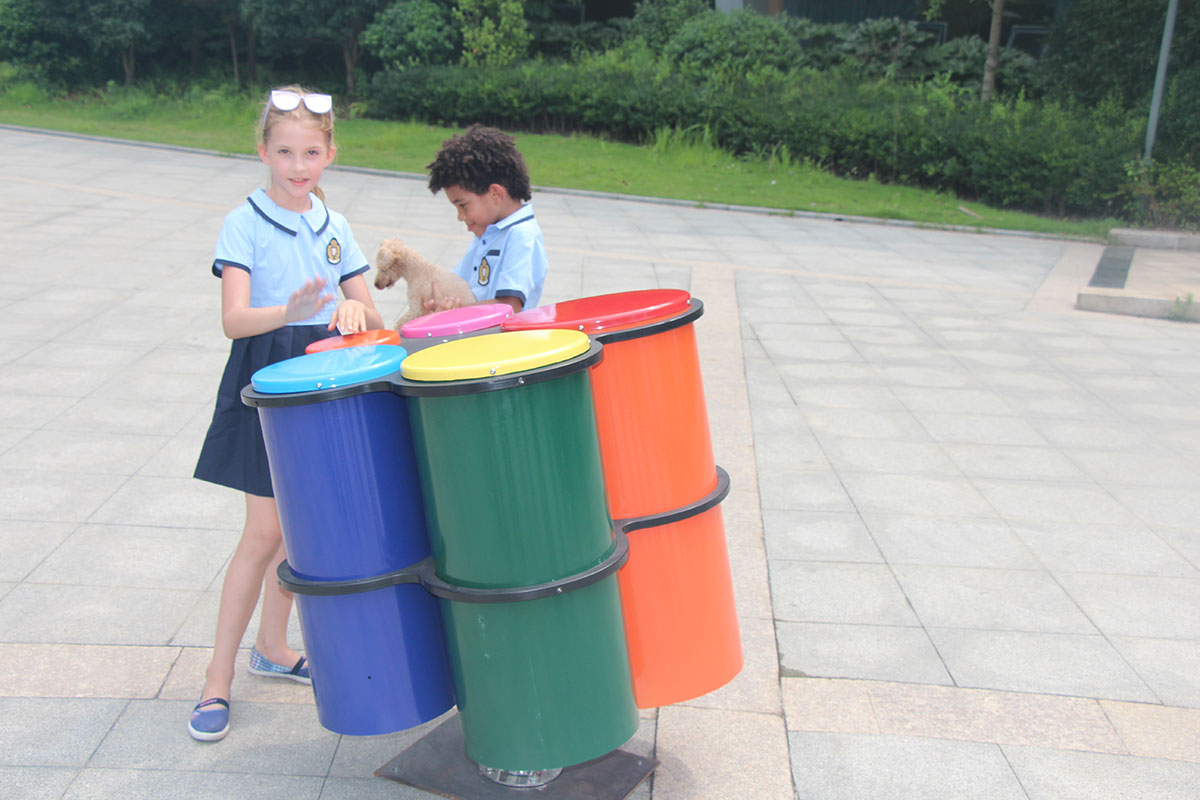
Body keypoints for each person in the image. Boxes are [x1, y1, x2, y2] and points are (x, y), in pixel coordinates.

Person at [188, 86, 383, 742]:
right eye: (284, 152)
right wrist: (291, 313)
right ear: (263, 152)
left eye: (310, 152)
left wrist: (357, 313)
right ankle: (217, 679)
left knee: (302, 530)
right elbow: (234, 320)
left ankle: (274, 647)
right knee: (264, 532)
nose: (297, 165)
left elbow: (372, 315)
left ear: (330, 153)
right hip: (267, 378)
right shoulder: (243, 220)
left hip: (325, 380)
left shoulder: (336, 223)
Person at [425, 124, 547, 314]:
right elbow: (456, 283)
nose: (460, 217)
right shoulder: (488, 232)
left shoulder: (522, 236)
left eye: (463, 205)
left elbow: (509, 306)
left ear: (496, 194)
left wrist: (454, 313)